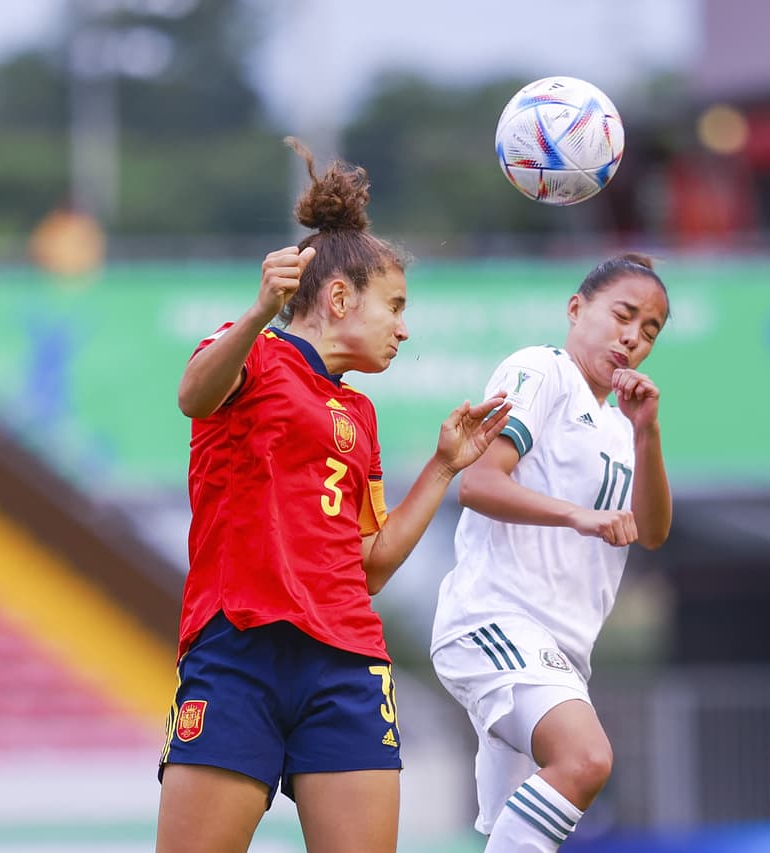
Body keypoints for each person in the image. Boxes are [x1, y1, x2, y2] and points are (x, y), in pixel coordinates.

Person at [156, 138, 512, 853]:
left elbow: (369, 564)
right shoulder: (248, 349)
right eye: (396, 305)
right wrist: (260, 310)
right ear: (341, 297)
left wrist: (444, 467)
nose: (403, 327)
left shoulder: (362, 416)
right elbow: (193, 396)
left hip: (345, 662)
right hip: (236, 653)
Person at [430, 253, 673, 852]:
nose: (633, 338)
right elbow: (478, 484)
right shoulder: (542, 370)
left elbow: (653, 530)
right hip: (495, 618)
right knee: (587, 759)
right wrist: (578, 517)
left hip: (561, 651)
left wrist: (648, 431)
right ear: (575, 308)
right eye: (624, 314)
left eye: (649, 331)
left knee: (528, 819)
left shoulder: (622, 427)